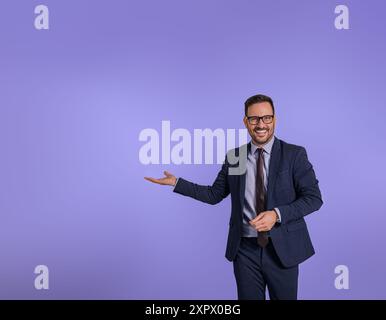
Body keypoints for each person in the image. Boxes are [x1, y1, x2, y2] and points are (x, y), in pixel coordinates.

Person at [144, 94, 323, 300]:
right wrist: (177, 183)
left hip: (282, 249)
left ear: (275, 119)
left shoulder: (293, 155)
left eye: (267, 118)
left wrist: (277, 214)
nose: (261, 124)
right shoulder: (235, 157)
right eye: (254, 119)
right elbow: (214, 194)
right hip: (245, 251)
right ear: (246, 121)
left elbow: (313, 198)